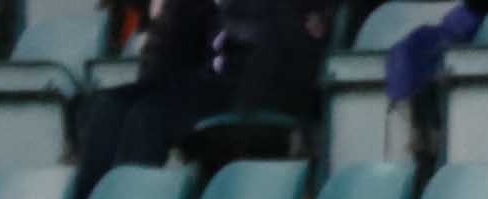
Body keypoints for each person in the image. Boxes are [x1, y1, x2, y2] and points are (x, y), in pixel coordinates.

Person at [77, 1, 333, 187]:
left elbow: (300, 45)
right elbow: (168, 50)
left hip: (254, 92)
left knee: (148, 116)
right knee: (111, 104)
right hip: (204, 79)